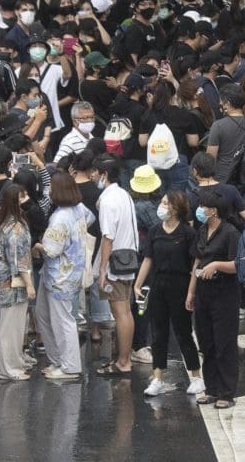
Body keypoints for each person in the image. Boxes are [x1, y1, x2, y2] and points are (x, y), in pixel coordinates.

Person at [134, 190, 204, 396]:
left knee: (183, 332)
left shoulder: (187, 233)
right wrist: (138, 284)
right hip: (158, 285)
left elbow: (194, 264)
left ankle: (196, 375)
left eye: (165, 203)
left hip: (180, 284)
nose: (161, 206)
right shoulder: (155, 231)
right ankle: (158, 378)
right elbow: (148, 258)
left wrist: (192, 291)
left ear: (175, 208)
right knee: (158, 333)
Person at [34, 171, 93, 381]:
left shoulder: (59, 218)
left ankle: (69, 366)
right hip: (73, 272)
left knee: (62, 320)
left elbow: (51, 249)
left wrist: (36, 244)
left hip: (59, 277)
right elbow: (90, 219)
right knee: (46, 314)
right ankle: (57, 360)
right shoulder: (79, 209)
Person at [188, 188, 241, 408]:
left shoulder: (230, 233)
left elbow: (237, 265)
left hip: (224, 294)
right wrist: (191, 291)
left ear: (215, 211)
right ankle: (211, 388)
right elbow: (197, 262)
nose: (200, 210)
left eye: (204, 207)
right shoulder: (201, 230)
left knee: (224, 343)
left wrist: (217, 265)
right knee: (206, 342)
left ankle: (226, 393)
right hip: (203, 292)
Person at [94, 153, 139, 377]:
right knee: (125, 311)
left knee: (120, 311)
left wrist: (102, 269)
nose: (93, 176)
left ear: (104, 174)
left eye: (96, 172)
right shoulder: (124, 195)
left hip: (115, 263)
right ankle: (124, 357)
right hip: (128, 258)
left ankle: (123, 361)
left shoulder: (108, 201)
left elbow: (107, 237)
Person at [0, 183, 35, 381]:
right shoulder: (16, 228)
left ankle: (11, 363)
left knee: (13, 325)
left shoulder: (8, 224)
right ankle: (9, 368)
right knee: (11, 327)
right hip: (12, 284)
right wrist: (29, 284)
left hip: (6, 281)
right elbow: (18, 260)